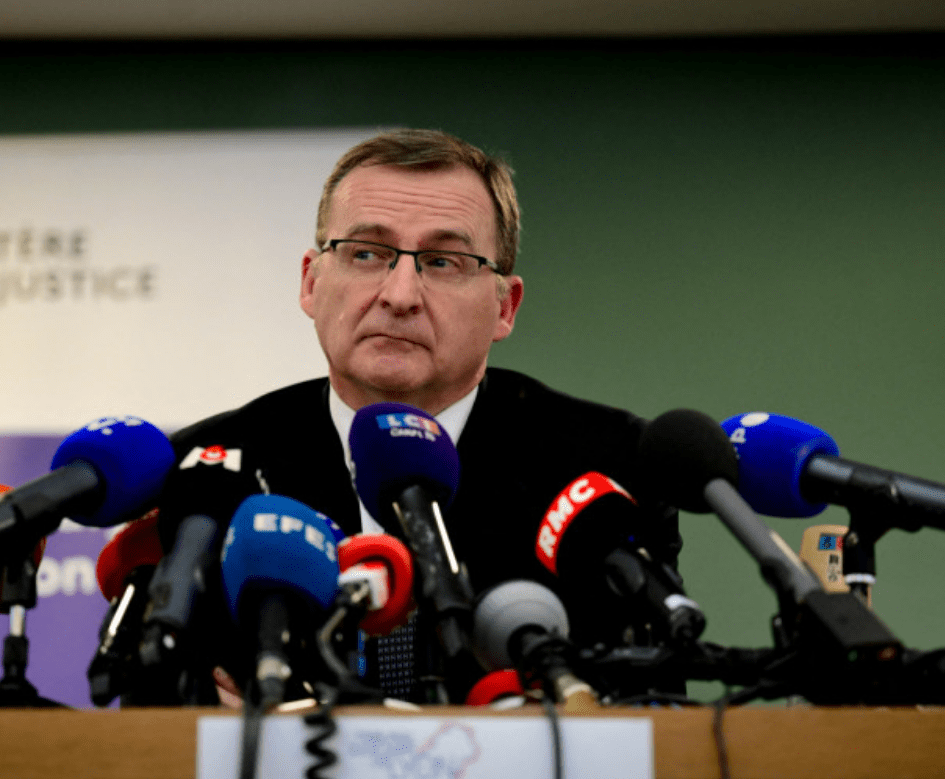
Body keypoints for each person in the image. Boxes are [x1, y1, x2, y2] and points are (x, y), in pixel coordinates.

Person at [153, 129, 682, 704]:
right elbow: (152, 701)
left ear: (504, 307)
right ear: (311, 282)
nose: (400, 294)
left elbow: (654, 705)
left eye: (442, 261)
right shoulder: (206, 472)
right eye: (365, 254)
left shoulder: (605, 463)